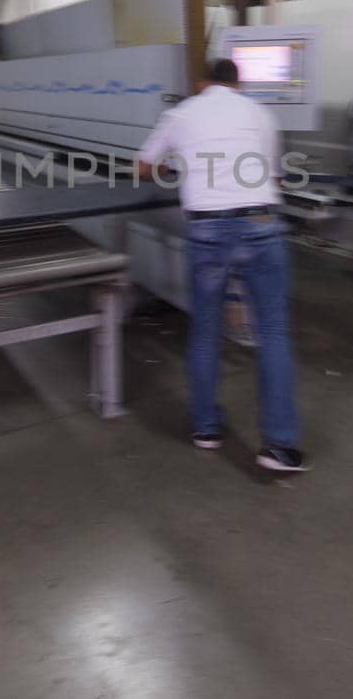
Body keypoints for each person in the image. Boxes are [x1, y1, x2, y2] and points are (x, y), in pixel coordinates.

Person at [137, 57, 308, 472]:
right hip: (261, 226)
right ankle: (279, 447)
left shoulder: (181, 113)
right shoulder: (262, 115)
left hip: (207, 232)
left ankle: (207, 429)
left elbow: (142, 167)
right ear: (239, 83)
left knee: (206, 332)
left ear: (201, 82)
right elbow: (273, 176)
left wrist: (178, 169)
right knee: (273, 332)